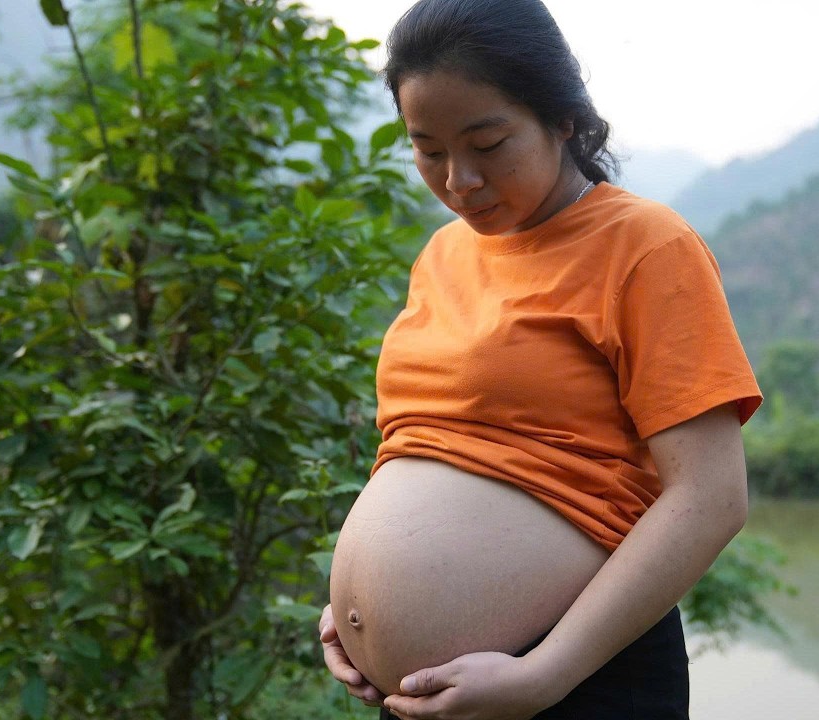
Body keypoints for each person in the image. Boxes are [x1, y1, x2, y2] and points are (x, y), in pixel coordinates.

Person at [318, 0, 762, 718]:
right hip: (424, 697)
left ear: (564, 120)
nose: (459, 179)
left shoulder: (646, 246)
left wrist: (546, 674)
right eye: (428, 149)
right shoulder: (441, 256)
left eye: (488, 144)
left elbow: (711, 498)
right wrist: (354, 614)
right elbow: (420, 446)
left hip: (579, 677)